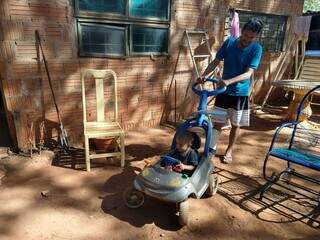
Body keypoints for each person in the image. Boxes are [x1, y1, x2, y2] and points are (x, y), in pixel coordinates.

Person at [199, 18, 264, 164]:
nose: (247, 39)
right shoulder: (229, 43)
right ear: (241, 31)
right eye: (245, 35)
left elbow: (248, 74)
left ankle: (229, 151)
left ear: (256, 37)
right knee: (218, 123)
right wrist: (203, 76)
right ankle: (211, 149)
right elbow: (215, 62)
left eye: (251, 37)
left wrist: (228, 81)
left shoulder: (256, 49)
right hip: (223, 92)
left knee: (236, 124)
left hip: (240, 94)